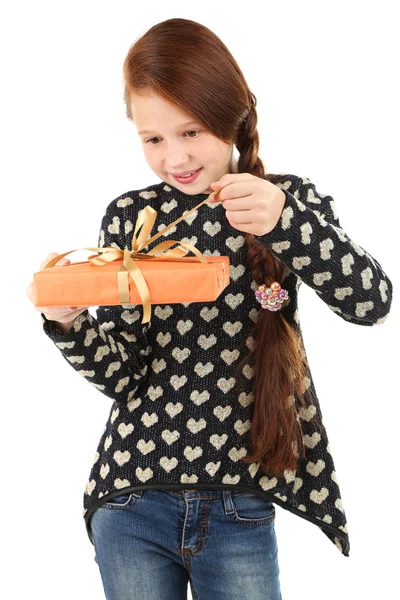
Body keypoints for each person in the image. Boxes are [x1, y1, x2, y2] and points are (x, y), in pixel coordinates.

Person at [26, 17, 393, 600]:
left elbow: (372, 302)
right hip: (131, 493)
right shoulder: (131, 214)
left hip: (239, 501)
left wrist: (284, 224)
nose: (174, 157)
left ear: (233, 115)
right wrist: (68, 325)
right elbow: (123, 373)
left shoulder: (285, 200)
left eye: (190, 130)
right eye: (153, 139)